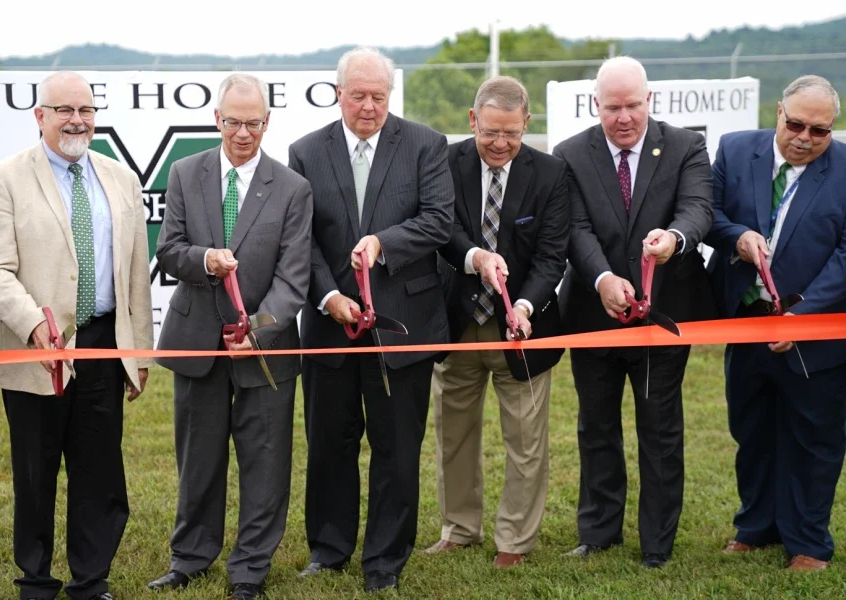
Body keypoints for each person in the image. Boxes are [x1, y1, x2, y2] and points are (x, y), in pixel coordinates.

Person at [0, 71, 154, 600]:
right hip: (36, 350)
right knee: (35, 473)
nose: (77, 120)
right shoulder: (4, 180)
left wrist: (139, 352)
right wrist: (34, 324)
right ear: (40, 116)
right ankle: (35, 581)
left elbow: (135, 273)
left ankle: (90, 581)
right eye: (64, 110)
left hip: (103, 345)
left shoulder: (122, 179)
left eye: (86, 110)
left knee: (98, 471)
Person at [287, 46, 454, 593]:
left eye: (378, 96)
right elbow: (302, 238)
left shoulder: (426, 145)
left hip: (403, 323)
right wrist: (328, 295)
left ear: (390, 95)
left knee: (397, 448)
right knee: (329, 443)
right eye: (357, 95)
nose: (368, 106)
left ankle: (385, 558)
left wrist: (383, 242)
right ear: (338, 94)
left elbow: (439, 220)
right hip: (329, 326)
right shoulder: (306, 152)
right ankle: (329, 549)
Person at [146, 73, 313, 600]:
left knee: (265, 462)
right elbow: (168, 250)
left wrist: (256, 331)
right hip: (197, 342)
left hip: (265, 351)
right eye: (234, 122)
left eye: (254, 123)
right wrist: (204, 260)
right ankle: (190, 557)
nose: (243, 133)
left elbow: (294, 278)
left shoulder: (293, 188)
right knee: (198, 459)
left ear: (268, 122)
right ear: (217, 119)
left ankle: (250, 569)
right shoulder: (184, 172)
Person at [551, 56, 715, 568]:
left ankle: (657, 543)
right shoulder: (569, 154)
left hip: (665, 314)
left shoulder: (686, 146)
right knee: (595, 425)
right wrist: (603, 278)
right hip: (592, 313)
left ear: (650, 100)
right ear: (596, 104)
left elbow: (698, 208)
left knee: (660, 428)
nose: (623, 117)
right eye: (612, 107)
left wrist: (675, 238)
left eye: (633, 106)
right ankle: (598, 532)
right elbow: (574, 228)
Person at [424, 75, 568, 567]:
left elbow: (551, 257)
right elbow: (442, 230)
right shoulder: (444, 163)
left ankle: (514, 540)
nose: (500, 143)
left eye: (511, 133)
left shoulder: (551, 174)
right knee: (453, 435)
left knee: (526, 440)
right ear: (472, 120)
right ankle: (459, 528)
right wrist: (475, 258)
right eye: (490, 132)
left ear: (527, 122)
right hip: (456, 322)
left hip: (522, 328)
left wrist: (523, 307)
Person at [705, 75, 846, 571]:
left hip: (816, 331)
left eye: (820, 130)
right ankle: (756, 527)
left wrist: (800, 316)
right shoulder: (735, 149)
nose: (805, 137)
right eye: (796, 124)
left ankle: (808, 543)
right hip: (745, 323)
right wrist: (737, 235)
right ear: (779, 112)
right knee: (752, 429)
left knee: (814, 437)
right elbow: (708, 213)